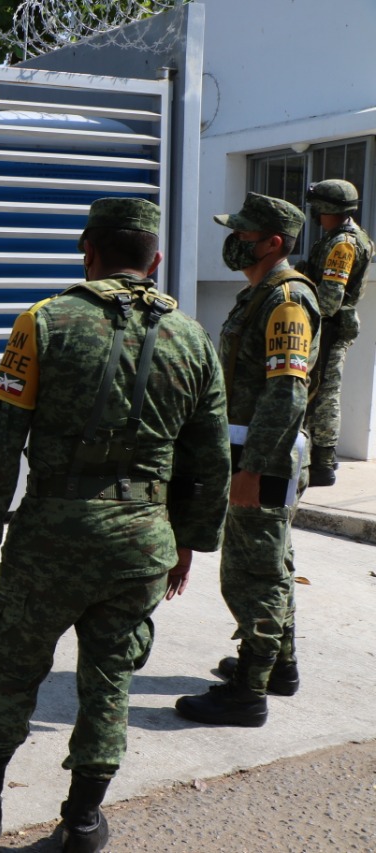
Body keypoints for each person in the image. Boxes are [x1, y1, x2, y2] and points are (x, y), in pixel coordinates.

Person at [0, 198, 230, 853]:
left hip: (52, 539)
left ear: (89, 251)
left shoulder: (44, 322)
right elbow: (211, 456)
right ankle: (82, 820)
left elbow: (0, 435)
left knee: (12, 667)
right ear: (155, 261)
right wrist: (189, 542)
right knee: (111, 678)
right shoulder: (193, 339)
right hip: (143, 541)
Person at [176, 193, 320, 726]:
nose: (233, 241)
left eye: (243, 234)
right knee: (272, 563)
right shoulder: (260, 295)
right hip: (252, 449)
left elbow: (287, 392)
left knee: (251, 574)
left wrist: (253, 469)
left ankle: (247, 693)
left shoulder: (287, 300)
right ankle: (278, 666)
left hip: (264, 457)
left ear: (273, 242)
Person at [296, 179, 372, 486]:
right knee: (319, 390)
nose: (315, 215)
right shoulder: (339, 237)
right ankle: (320, 459)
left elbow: (328, 301)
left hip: (329, 325)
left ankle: (323, 463)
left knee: (324, 393)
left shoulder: (343, 244)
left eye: (318, 209)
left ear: (327, 210)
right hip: (329, 324)